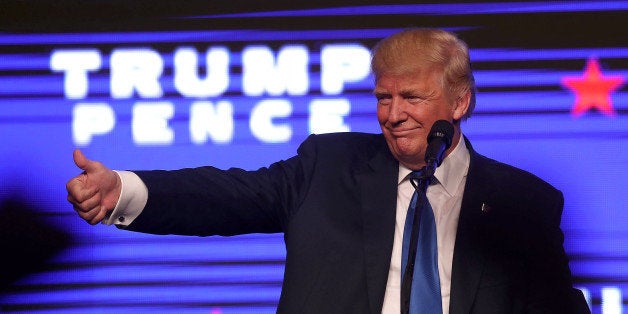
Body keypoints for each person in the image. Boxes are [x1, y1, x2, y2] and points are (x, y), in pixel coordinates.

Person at [67, 28, 589, 313]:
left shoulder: (524, 202)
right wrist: (124, 191)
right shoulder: (328, 165)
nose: (393, 113)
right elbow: (228, 194)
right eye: (383, 97)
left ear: (459, 102)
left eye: (412, 96)